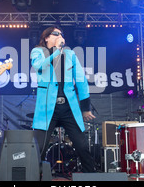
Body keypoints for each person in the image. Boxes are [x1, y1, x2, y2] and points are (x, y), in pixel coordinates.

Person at [30, 26, 96, 173]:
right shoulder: (38, 52)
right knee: (39, 147)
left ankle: (90, 177)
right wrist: (56, 51)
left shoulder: (70, 54)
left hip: (68, 107)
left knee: (82, 146)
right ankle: (34, 177)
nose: (60, 36)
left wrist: (85, 108)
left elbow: (81, 80)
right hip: (47, 109)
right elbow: (39, 66)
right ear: (46, 37)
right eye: (55, 34)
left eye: (61, 34)